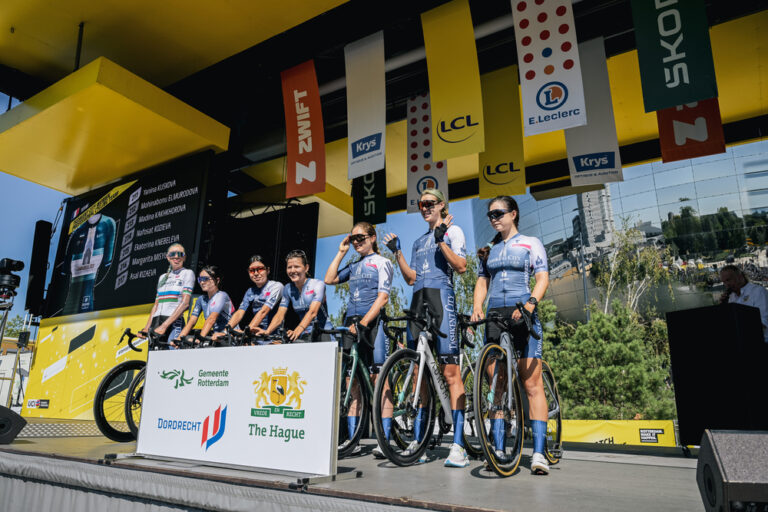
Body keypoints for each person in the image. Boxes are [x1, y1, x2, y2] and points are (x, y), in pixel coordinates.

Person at [383, 188, 469, 468]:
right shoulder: (418, 241)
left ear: (442, 205)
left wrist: (441, 239)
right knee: (417, 371)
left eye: (430, 203)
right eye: (421, 204)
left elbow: (461, 266)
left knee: (450, 372)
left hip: (441, 299)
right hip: (418, 301)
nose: (425, 208)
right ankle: (417, 444)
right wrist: (397, 253)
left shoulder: (453, 231)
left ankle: (458, 445)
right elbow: (410, 279)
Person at [471, 195, 551, 475]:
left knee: (531, 385)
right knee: (497, 387)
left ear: (513, 214)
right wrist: (476, 306)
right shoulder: (488, 251)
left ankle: (539, 453)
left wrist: (530, 304)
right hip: (495, 316)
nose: (494, 218)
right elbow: (482, 281)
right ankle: (498, 447)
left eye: (499, 213)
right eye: (490, 215)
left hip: (522, 311)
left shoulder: (531, 243)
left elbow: (542, 278)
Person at [325, 222, 393, 456]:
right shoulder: (354, 265)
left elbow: (383, 297)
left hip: (372, 324)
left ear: (373, 237)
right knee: (350, 383)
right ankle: (352, 441)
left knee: (379, 381)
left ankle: (385, 440)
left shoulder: (383, 262)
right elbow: (329, 279)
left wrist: (364, 323)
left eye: (361, 237)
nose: (356, 242)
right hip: (351, 323)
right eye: (353, 238)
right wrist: (341, 252)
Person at [263, 250, 333, 342]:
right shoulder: (287, 288)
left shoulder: (317, 284)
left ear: (306, 268)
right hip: (305, 333)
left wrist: (297, 331)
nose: (292, 270)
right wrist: (267, 332)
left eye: (296, 267)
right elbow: (280, 315)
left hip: (323, 332)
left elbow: (313, 312)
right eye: (289, 267)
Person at [142, 243, 195, 342]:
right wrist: (147, 327)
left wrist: (164, 326)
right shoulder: (162, 277)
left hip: (174, 322)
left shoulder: (187, 273)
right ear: (167, 257)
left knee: (171, 352)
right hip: (157, 321)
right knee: (154, 355)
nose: (176, 257)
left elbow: (185, 303)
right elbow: (156, 305)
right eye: (172, 254)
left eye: (180, 254)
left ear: (184, 257)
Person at [225, 255, 284, 343]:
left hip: (273, 336)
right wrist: (226, 331)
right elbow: (240, 312)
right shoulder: (250, 291)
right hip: (256, 335)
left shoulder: (276, 286)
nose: (256, 273)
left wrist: (246, 332)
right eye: (252, 271)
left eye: (260, 269)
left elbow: (263, 312)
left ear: (268, 270)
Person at [175, 265, 234, 346]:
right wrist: (179, 339)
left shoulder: (222, 295)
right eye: (200, 279)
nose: (202, 282)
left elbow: (211, 319)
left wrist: (200, 339)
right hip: (215, 337)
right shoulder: (201, 299)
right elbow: (191, 322)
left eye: (205, 279)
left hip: (230, 337)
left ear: (217, 280)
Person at [719, 264, 768, 343]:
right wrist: (723, 308)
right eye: (724, 282)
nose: (726, 285)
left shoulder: (758, 292)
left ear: (740, 277)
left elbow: (764, 323)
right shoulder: (731, 297)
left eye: (728, 280)